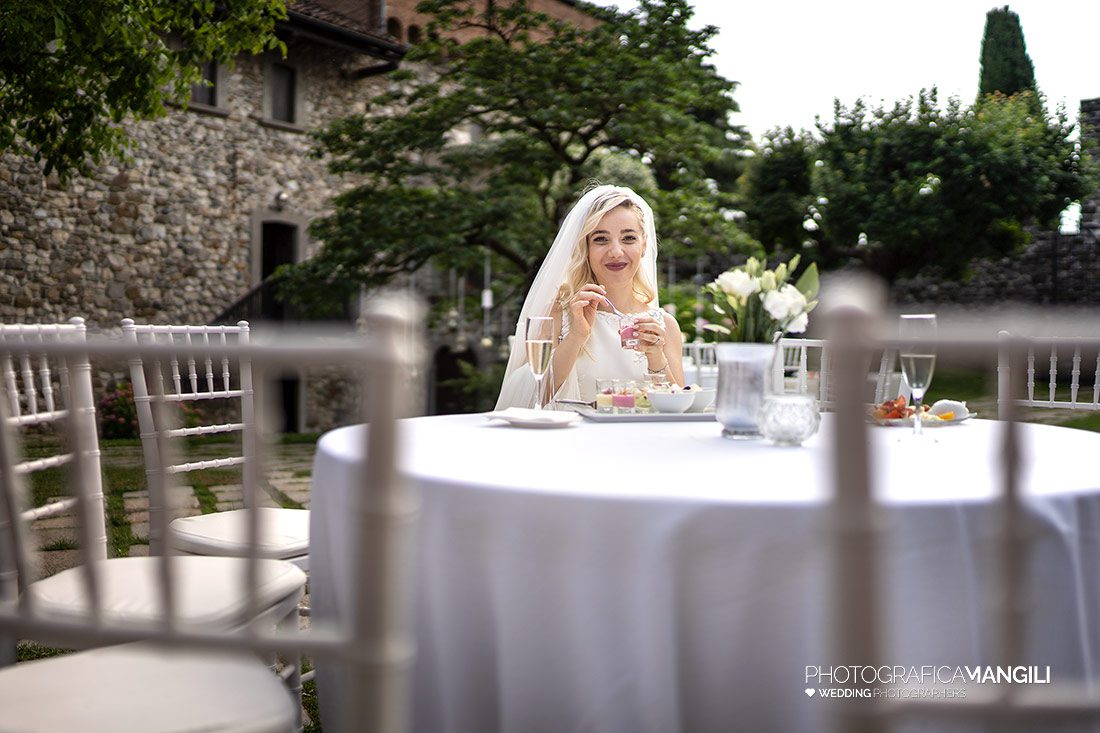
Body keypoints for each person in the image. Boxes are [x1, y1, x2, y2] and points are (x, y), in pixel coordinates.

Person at [496, 184, 685, 410]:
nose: (615, 252)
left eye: (628, 238)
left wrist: (656, 357)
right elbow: (529, 400)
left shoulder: (665, 325)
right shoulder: (558, 313)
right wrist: (576, 335)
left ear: (644, 244)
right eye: (601, 239)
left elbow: (678, 411)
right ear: (585, 246)